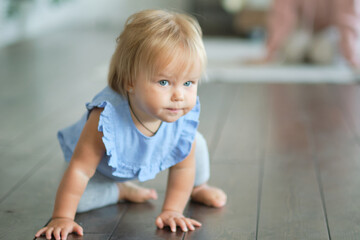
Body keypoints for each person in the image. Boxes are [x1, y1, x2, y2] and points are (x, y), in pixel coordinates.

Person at [35, 9, 227, 240]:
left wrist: (172, 211)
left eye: (188, 82)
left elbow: (182, 167)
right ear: (130, 82)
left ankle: (198, 187)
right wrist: (62, 217)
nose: (179, 95)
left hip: (143, 154)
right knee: (80, 200)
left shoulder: (181, 112)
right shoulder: (105, 118)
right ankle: (118, 190)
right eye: (164, 82)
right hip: (101, 171)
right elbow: (80, 169)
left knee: (196, 143)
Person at [248, 0, 360, 70]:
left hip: (328, 34)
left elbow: (347, 20)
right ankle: (307, 53)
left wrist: (352, 57)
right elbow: (281, 17)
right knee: (293, 48)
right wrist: (269, 53)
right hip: (302, 32)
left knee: (323, 51)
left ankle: (311, 54)